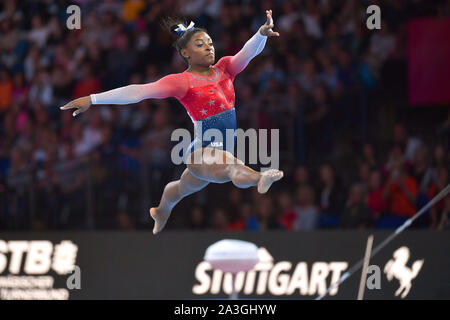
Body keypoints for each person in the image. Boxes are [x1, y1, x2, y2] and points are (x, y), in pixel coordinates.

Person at [60, 10, 283, 234]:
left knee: (182, 188)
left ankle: (161, 210)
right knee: (230, 166)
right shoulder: (182, 81)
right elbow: (139, 92)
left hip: (219, 151)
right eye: (200, 44)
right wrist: (93, 99)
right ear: (185, 52)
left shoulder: (225, 68)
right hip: (202, 152)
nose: (209, 47)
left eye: (210, 42)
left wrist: (261, 35)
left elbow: (246, 54)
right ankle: (259, 177)